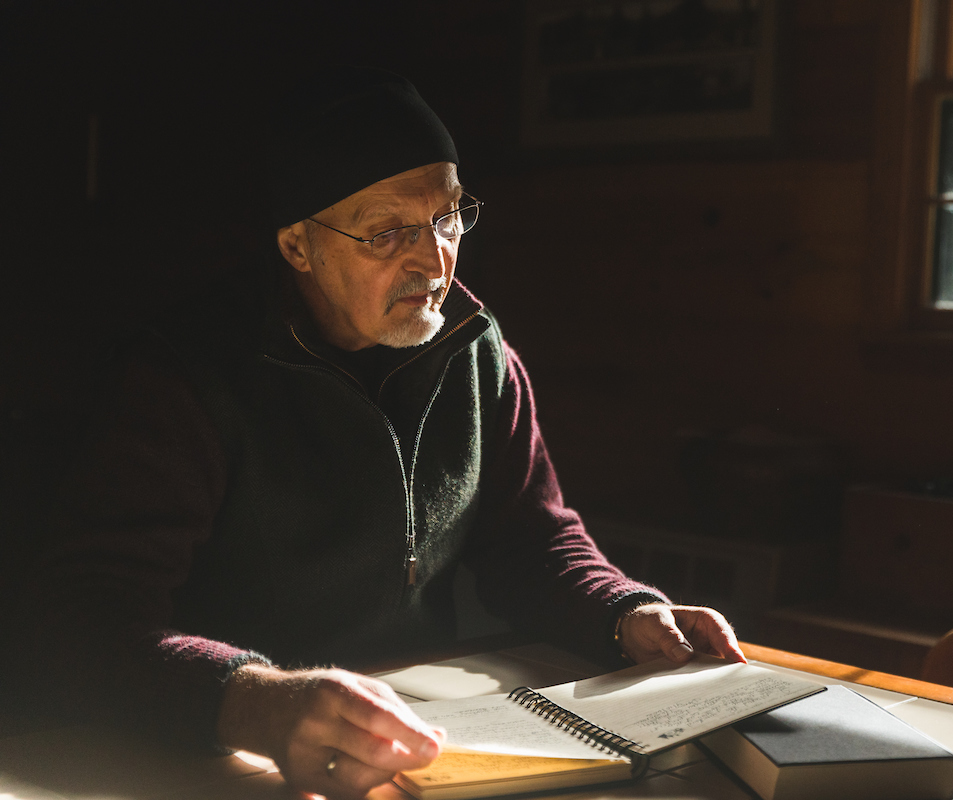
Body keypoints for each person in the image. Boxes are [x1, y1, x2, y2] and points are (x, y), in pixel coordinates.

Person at [18, 67, 743, 799]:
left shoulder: (475, 351)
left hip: (420, 741)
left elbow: (534, 538)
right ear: (298, 247)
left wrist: (625, 611)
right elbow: (84, 617)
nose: (434, 262)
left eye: (450, 217)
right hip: (218, 754)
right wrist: (259, 703)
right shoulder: (187, 380)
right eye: (387, 232)